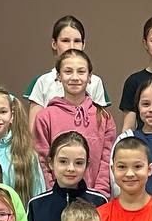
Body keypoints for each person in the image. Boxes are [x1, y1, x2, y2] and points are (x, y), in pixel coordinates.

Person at [33, 48, 116, 198]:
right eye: (68, 71)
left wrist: (99, 194)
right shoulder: (45, 117)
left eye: (81, 72)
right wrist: (54, 193)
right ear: (59, 76)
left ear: (89, 77)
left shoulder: (103, 117)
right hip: (57, 197)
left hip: (93, 199)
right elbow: (43, 161)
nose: (75, 77)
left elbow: (106, 160)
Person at [27, 132, 108, 221]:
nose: (71, 168)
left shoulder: (100, 202)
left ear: (87, 165)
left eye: (78, 163)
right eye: (63, 161)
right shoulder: (36, 205)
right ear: (50, 163)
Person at [25, 15, 110, 125]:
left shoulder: (95, 82)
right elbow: (34, 129)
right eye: (65, 41)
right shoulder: (42, 81)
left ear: (83, 44)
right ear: (54, 44)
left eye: (77, 41)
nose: (71, 46)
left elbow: (101, 125)